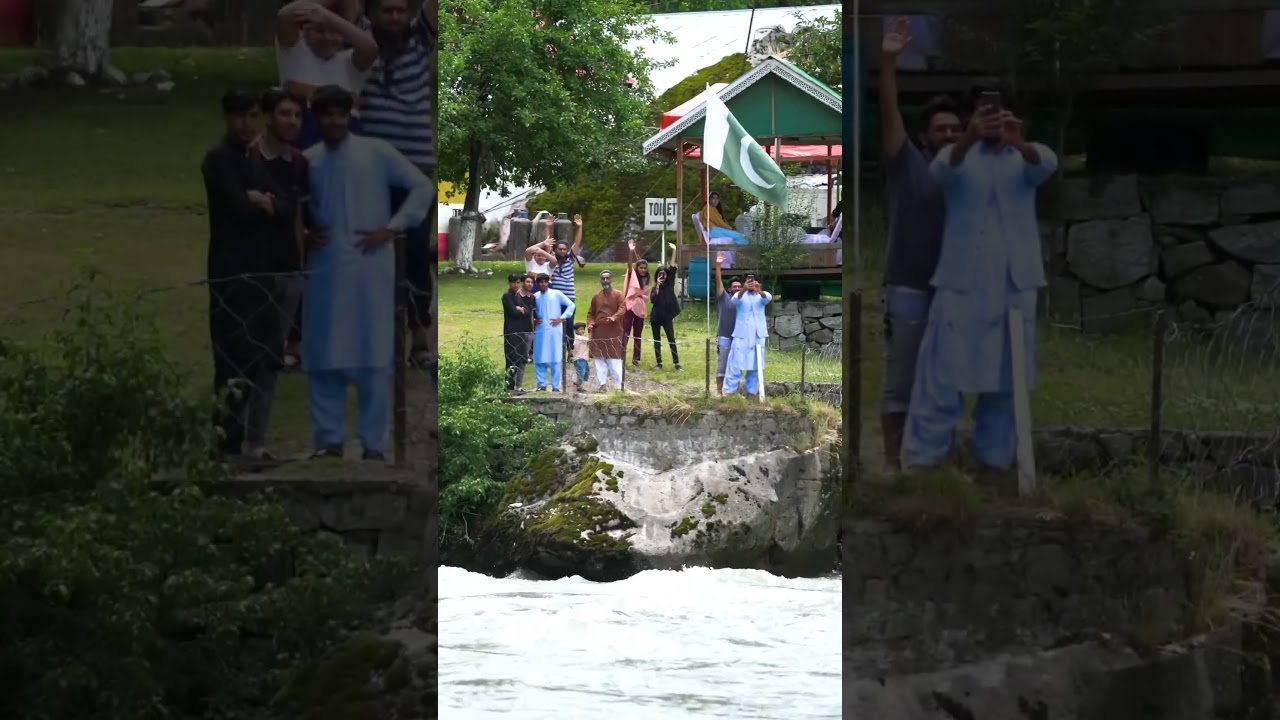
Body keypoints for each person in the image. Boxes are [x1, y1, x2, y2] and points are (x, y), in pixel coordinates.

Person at [901, 83, 1058, 480]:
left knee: (1008, 378)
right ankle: (924, 462)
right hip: (961, 283)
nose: (994, 120)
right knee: (942, 373)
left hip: (1014, 285)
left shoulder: (1026, 157)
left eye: (1002, 112)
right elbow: (941, 171)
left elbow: (1047, 165)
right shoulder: (958, 158)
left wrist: (1017, 140)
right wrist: (970, 135)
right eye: (987, 113)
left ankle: (996, 462)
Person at [302, 85, 433, 461]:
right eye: (326, 114)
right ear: (317, 117)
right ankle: (328, 440)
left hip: (371, 269)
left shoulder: (376, 152)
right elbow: (295, 210)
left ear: (350, 115)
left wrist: (392, 228)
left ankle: (374, 444)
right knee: (324, 351)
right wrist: (306, 235)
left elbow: (421, 187)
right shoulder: (308, 161)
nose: (334, 121)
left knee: (374, 354)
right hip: (325, 270)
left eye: (340, 114)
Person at [878, 16, 964, 475]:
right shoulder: (907, 162)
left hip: (954, 289)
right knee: (902, 381)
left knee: (948, 381)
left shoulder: (971, 173)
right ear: (927, 135)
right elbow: (889, 112)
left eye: (956, 129)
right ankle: (893, 465)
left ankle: (941, 464)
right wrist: (889, 60)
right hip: (909, 285)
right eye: (941, 130)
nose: (949, 135)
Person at [200, 89, 293, 461]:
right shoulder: (218, 159)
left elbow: (284, 204)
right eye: (239, 116)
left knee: (262, 356)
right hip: (231, 272)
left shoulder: (251, 159)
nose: (246, 124)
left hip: (260, 271)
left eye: (252, 116)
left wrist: (261, 199)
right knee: (232, 360)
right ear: (227, 118)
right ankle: (225, 444)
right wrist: (257, 200)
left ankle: (248, 442)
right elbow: (238, 207)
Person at [359, 0, 438, 370]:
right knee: (373, 251)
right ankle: (380, 337)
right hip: (371, 171)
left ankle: (420, 329)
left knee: (417, 255)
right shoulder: (357, 41)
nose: (393, 17)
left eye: (399, 11)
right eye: (385, 10)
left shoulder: (420, 40)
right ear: (370, 13)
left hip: (416, 169)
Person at [251, 89, 320, 379]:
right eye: (284, 114)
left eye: (297, 115)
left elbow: (298, 213)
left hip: (289, 261)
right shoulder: (251, 157)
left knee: (277, 338)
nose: (292, 121)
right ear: (269, 117)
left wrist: (301, 258)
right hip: (256, 261)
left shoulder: (299, 162)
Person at [276, 0, 377, 149]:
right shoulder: (294, 53)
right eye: (319, 31)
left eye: (334, 32)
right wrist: (318, 8)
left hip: (345, 149)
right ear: (306, 32)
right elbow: (284, 16)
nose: (327, 37)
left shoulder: (350, 63)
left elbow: (371, 48)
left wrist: (328, 17)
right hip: (301, 148)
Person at [722, 277, 772, 399]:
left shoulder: (762, 296)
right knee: (735, 363)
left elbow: (768, 298)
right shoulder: (740, 295)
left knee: (755, 365)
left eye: (754, 282)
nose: (752, 285)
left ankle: (752, 393)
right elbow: (734, 300)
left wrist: (759, 290)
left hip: (758, 336)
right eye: (749, 283)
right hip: (741, 335)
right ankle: (729, 392)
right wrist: (744, 289)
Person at [549, 214, 586, 355]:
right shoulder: (552, 260)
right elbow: (548, 243)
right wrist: (549, 227)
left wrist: (579, 227)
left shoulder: (570, 259)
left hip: (569, 298)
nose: (562, 251)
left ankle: (570, 350)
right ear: (556, 250)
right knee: (556, 324)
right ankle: (557, 350)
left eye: (564, 249)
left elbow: (577, 244)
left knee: (569, 324)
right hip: (556, 299)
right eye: (560, 249)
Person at [531, 274, 574, 392]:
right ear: (537, 283)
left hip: (555, 330)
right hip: (540, 331)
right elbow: (530, 312)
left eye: (545, 282)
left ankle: (556, 386)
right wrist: (533, 320)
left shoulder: (556, 294)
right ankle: (541, 385)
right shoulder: (534, 297)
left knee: (555, 357)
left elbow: (571, 305)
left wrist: (562, 318)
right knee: (540, 358)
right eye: (541, 282)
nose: (543, 284)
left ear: (548, 282)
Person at [586, 269, 627, 391]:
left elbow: (623, 308)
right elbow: (591, 313)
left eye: (607, 278)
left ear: (611, 279)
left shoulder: (618, 295)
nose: (605, 281)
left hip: (614, 331)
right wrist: (591, 323)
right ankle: (602, 385)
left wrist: (614, 317)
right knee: (599, 358)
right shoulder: (596, 296)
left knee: (614, 358)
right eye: (603, 278)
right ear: (600, 280)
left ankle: (618, 386)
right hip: (599, 332)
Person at [712, 252, 742, 395]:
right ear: (730, 289)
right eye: (734, 287)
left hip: (738, 337)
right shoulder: (724, 297)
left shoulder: (744, 300)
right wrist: (718, 265)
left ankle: (733, 390)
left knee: (736, 365)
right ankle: (719, 391)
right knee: (722, 364)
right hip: (724, 335)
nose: (737, 288)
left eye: (739, 287)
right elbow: (718, 280)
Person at [501, 272, 534, 392]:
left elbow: (527, 310)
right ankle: (508, 387)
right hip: (511, 331)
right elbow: (513, 312)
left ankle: (515, 386)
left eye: (517, 282)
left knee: (519, 358)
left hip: (520, 331)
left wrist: (520, 309)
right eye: (513, 282)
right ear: (509, 283)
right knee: (511, 358)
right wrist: (518, 309)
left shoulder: (517, 296)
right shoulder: (507, 296)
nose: (515, 285)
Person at [621, 239, 650, 367]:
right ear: (637, 268)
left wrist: (640, 295)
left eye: (644, 268)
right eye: (641, 267)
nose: (643, 270)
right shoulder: (632, 275)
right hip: (629, 307)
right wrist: (630, 251)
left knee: (638, 334)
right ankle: (621, 355)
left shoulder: (647, 280)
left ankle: (636, 359)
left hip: (640, 309)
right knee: (625, 332)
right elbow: (629, 265)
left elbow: (646, 297)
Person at [649, 263, 682, 371]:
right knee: (657, 340)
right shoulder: (654, 288)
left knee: (671, 339)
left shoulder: (670, 285)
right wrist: (658, 285)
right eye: (660, 274)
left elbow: (672, 268)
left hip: (667, 317)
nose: (662, 277)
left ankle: (676, 363)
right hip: (656, 317)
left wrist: (674, 251)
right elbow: (653, 300)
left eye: (664, 274)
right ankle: (659, 363)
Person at [525, 212, 557, 276]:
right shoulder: (531, 262)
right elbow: (527, 251)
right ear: (534, 256)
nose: (541, 258)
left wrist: (541, 251)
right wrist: (543, 243)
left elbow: (554, 261)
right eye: (539, 255)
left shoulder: (548, 266)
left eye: (543, 256)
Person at [570, 322, 591, 390]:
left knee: (586, 372)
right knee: (581, 372)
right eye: (581, 329)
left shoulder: (583, 338)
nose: (583, 331)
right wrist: (591, 331)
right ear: (575, 331)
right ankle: (579, 385)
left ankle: (579, 383)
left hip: (584, 358)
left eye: (583, 329)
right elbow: (589, 339)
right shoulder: (577, 338)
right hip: (579, 359)